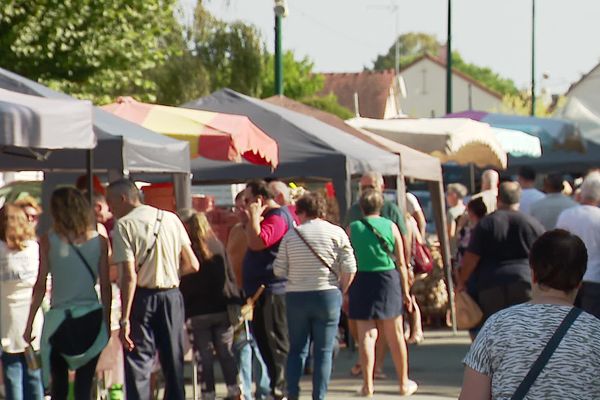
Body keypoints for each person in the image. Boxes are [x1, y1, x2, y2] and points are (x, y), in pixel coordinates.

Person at [459, 229, 600, 399]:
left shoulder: (497, 326)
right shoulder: (595, 332)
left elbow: (472, 396)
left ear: (532, 275)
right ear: (579, 282)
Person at [106, 179, 199, 400]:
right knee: (173, 360)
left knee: (138, 361)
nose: (110, 209)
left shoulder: (124, 225)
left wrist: (124, 319)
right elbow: (193, 264)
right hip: (171, 296)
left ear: (123, 199)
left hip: (142, 298)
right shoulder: (170, 218)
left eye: (111, 203)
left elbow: (129, 276)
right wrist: (167, 274)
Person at [23, 187, 112, 399]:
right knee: (84, 384)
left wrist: (29, 324)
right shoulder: (99, 241)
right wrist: (107, 321)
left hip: (59, 321)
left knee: (59, 385)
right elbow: (106, 285)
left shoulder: (47, 240)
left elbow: (40, 285)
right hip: (90, 317)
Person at [273, 192, 357, 400]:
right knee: (323, 351)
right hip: (328, 294)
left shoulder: (291, 235)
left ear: (301, 212)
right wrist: (342, 289)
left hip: (297, 297)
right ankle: (319, 396)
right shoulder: (336, 233)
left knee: (297, 349)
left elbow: (278, 270)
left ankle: (293, 393)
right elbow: (350, 266)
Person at [348, 189, 417, 397]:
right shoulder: (391, 226)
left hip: (361, 279)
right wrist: (406, 291)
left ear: (361, 207)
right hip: (387, 279)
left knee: (366, 334)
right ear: (381, 207)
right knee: (394, 334)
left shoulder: (353, 228)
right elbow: (402, 263)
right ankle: (403, 383)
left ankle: (367, 385)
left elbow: (347, 258)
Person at [456, 182, 545, 334]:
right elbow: (545, 257)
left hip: (490, 283)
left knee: (496, 331)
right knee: (524, 331)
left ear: (498, 199)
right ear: (519, 199)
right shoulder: (532, 224)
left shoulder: (486, 224)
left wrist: (462, 281)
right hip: (524, 282)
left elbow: (472, 257)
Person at [178, 211, 242, 400]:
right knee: (225, 351)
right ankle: (234, 390)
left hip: (197, 311)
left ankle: (208, 392)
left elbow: (186, 283)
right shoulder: (217, 245)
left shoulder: (188, 251)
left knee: (204, 355)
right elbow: (229, 274)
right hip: (221, 308)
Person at [242, 180, 295, 400]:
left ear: (259, 200)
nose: (244, 205)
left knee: (274, 344)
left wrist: (253, 217)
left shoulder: (277, 217)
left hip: (272, 291)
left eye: (247, 200)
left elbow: (258, 242)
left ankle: (281, 389)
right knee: (264, 342)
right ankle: (278, 386)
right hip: (260, 292)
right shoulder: (270, 217)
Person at [226, 191, 271, 400]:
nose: (239, 212)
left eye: (242, 207)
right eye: (236, 208)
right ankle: (244, 391)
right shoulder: (235, 230)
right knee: (241, 345)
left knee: (259, 344)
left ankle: (263, 389)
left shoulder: (259, 229)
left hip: (258, 294)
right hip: (238, 295)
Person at [0, 204, 44, 400]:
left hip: (6, 316)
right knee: (34, 372)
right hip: (32, 314)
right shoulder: (34, 248)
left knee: (12, 372)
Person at [556, 171, 600, 319]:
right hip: (594, 279)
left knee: (568, 324)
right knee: (592, 326)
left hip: (569, 278)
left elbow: (558, 247)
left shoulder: (566, 215)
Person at [445, 183, 468, 254]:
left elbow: (450, 234)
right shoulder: (466, 210)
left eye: (448, 194)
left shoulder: (451, 212)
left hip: (453, 251)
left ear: (454, 195)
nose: (446, 196)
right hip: (464, 248)